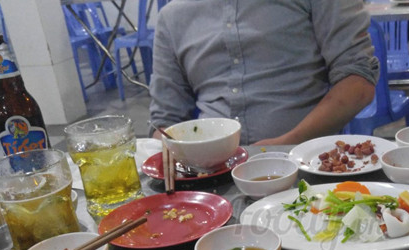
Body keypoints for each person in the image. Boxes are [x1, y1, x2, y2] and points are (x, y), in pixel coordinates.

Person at [149, 0, 379, 145]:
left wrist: (286, 144)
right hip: (209, 175)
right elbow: (164, 122)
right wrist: (186, 157)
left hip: (305, 160)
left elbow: (358, 83)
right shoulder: (173, 17)